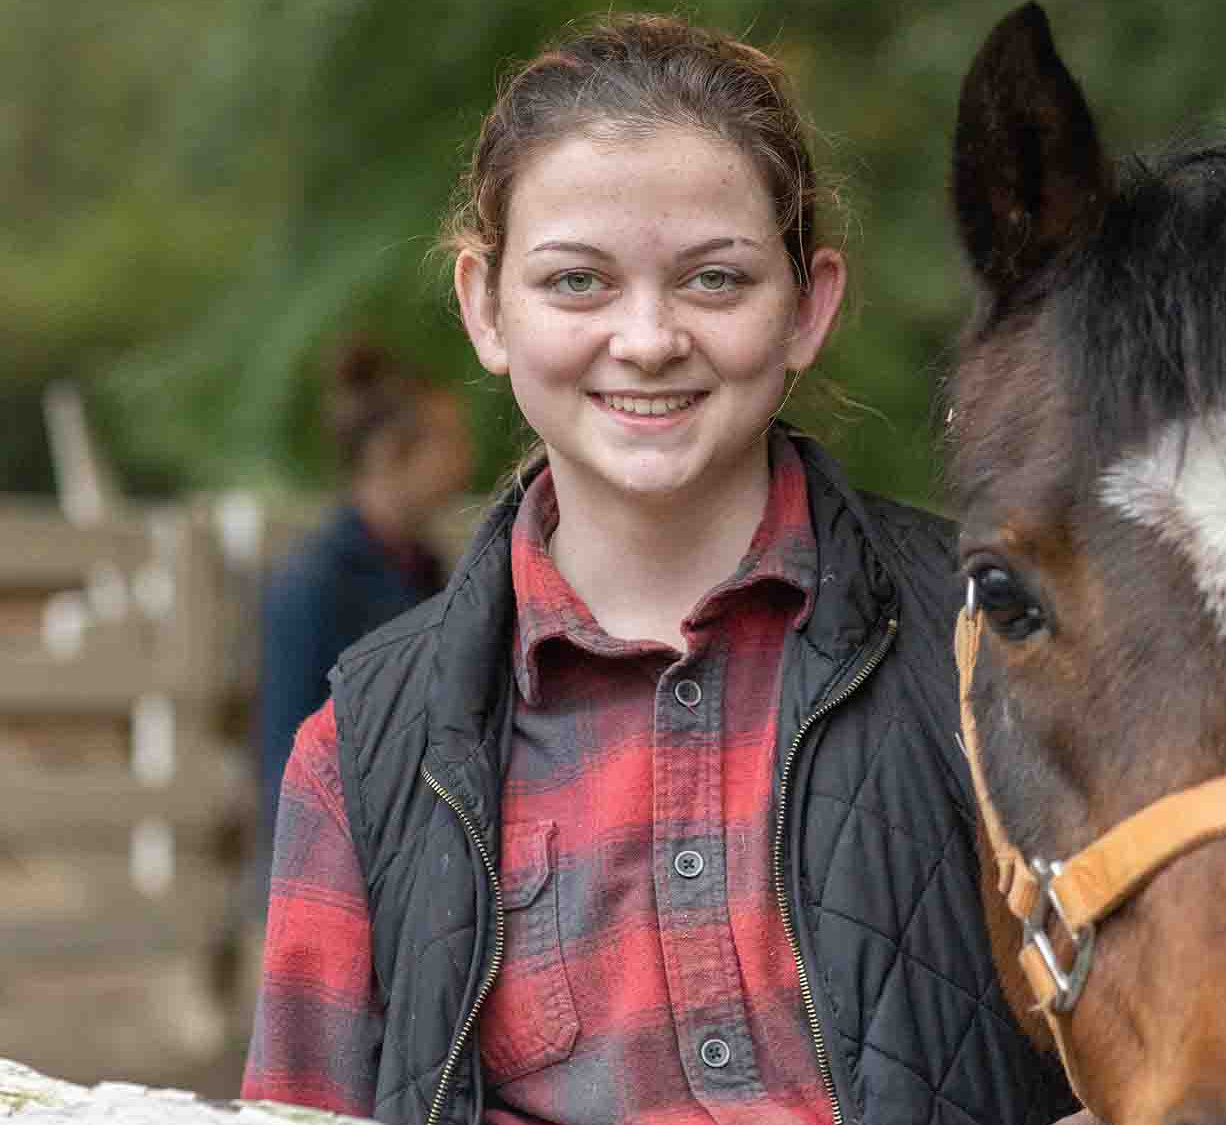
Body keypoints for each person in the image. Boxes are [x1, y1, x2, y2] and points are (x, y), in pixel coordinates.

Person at [242, 15, 1075, 1125]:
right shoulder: (360, 759)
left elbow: (1184, 1057)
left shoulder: (1000, 650)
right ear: (485, 307)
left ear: (808, 306)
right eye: (577, 282)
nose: (646, 337)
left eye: (714, 280)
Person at [253, 338, 471, 882]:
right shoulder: (314, 584)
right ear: (387, 454)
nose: (462, 460)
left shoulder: (430, 572)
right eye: (443, 442)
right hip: (338, 874)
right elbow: (288, 750)